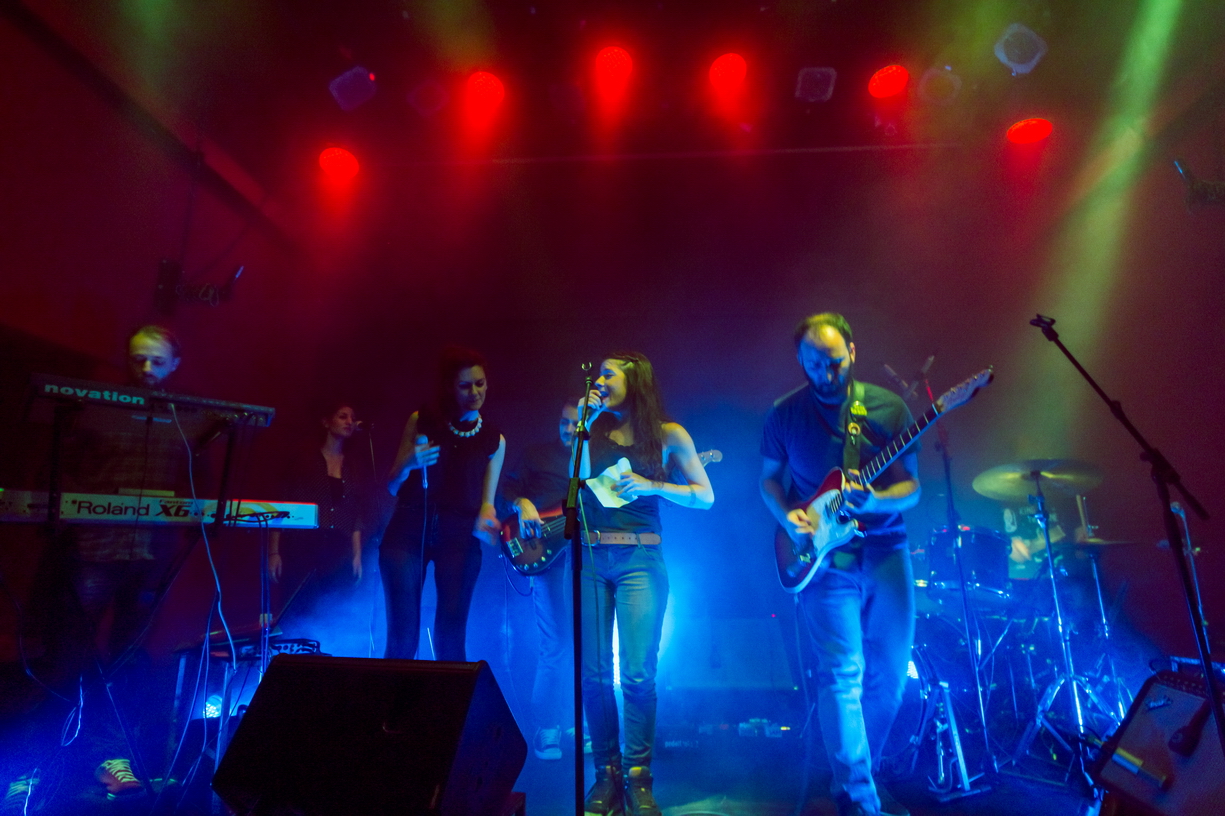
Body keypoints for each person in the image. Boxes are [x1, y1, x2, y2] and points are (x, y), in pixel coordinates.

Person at [759, 314, 920, 816]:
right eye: (813, 365)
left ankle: (855, 778)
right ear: (800, 361)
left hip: (887, 550)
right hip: (824, 558)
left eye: (833, 362)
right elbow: (768, 481)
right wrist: (788, 519)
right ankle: (860, 798)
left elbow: (911, 489)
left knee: (890, 680)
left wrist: (876, 501)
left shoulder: (888, 408)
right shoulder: (785, 414)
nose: (825, 374)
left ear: (852, 351)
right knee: (842, 673)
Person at [27, 326, 195, 803]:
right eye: (139, 358)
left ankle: (111, 757)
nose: (147, 369)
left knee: (128, 660)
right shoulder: (97, 409)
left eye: (156, 360)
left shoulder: (186, 419)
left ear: (174, 364)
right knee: (69, 655)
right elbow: (58, 471)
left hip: (148, 556)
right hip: (94, 549)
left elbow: (190, 488)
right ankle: (49, 760)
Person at [576, 352, 713, 816]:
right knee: (594, 675)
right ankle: (605, 774)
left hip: (640, 557)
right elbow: (574, 485)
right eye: (598, 374)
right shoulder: (589, 432)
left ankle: (638, 777)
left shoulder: (668, 434)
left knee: (636, 673)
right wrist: (582, 426)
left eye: (608, 374)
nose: (599, 380)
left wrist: (653, 485)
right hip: (591, 556)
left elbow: (705, 496)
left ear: (634, 380)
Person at [380, 346, 505, 662]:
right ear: (450, 387)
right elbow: (392, 486)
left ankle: (447, 696)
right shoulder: (422, 421)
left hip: (459, 539)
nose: (474, 392)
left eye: (480, 383)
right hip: (408, 531)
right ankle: (391, 696)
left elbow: (487, 505)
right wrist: (408, 463)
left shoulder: (494, 439)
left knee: (451, 643)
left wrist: (489, 518)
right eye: (465, 386)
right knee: (402, 640)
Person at [498, 398, 580, 761]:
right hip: (545, 557)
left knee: (587, 642)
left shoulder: (597, 461)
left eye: (574, 423)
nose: (568, 429)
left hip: (587, 556)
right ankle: (546, 726)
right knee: (556, 641)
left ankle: (576, 723)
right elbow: (505, 489)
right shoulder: (537, 454)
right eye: (563, 422)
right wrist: (522, 503)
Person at [267, 402, 368, 645]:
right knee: (297, 607)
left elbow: (356, 514)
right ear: (326, 422)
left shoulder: (353, 466)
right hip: (304, 543)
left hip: (338, 547)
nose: (349, 422)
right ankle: (289, 655)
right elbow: (282, 504)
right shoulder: (305, 460)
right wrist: (274, 551)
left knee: (332, 609)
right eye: (342, 416)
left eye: (352, 417)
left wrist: (356, 555)